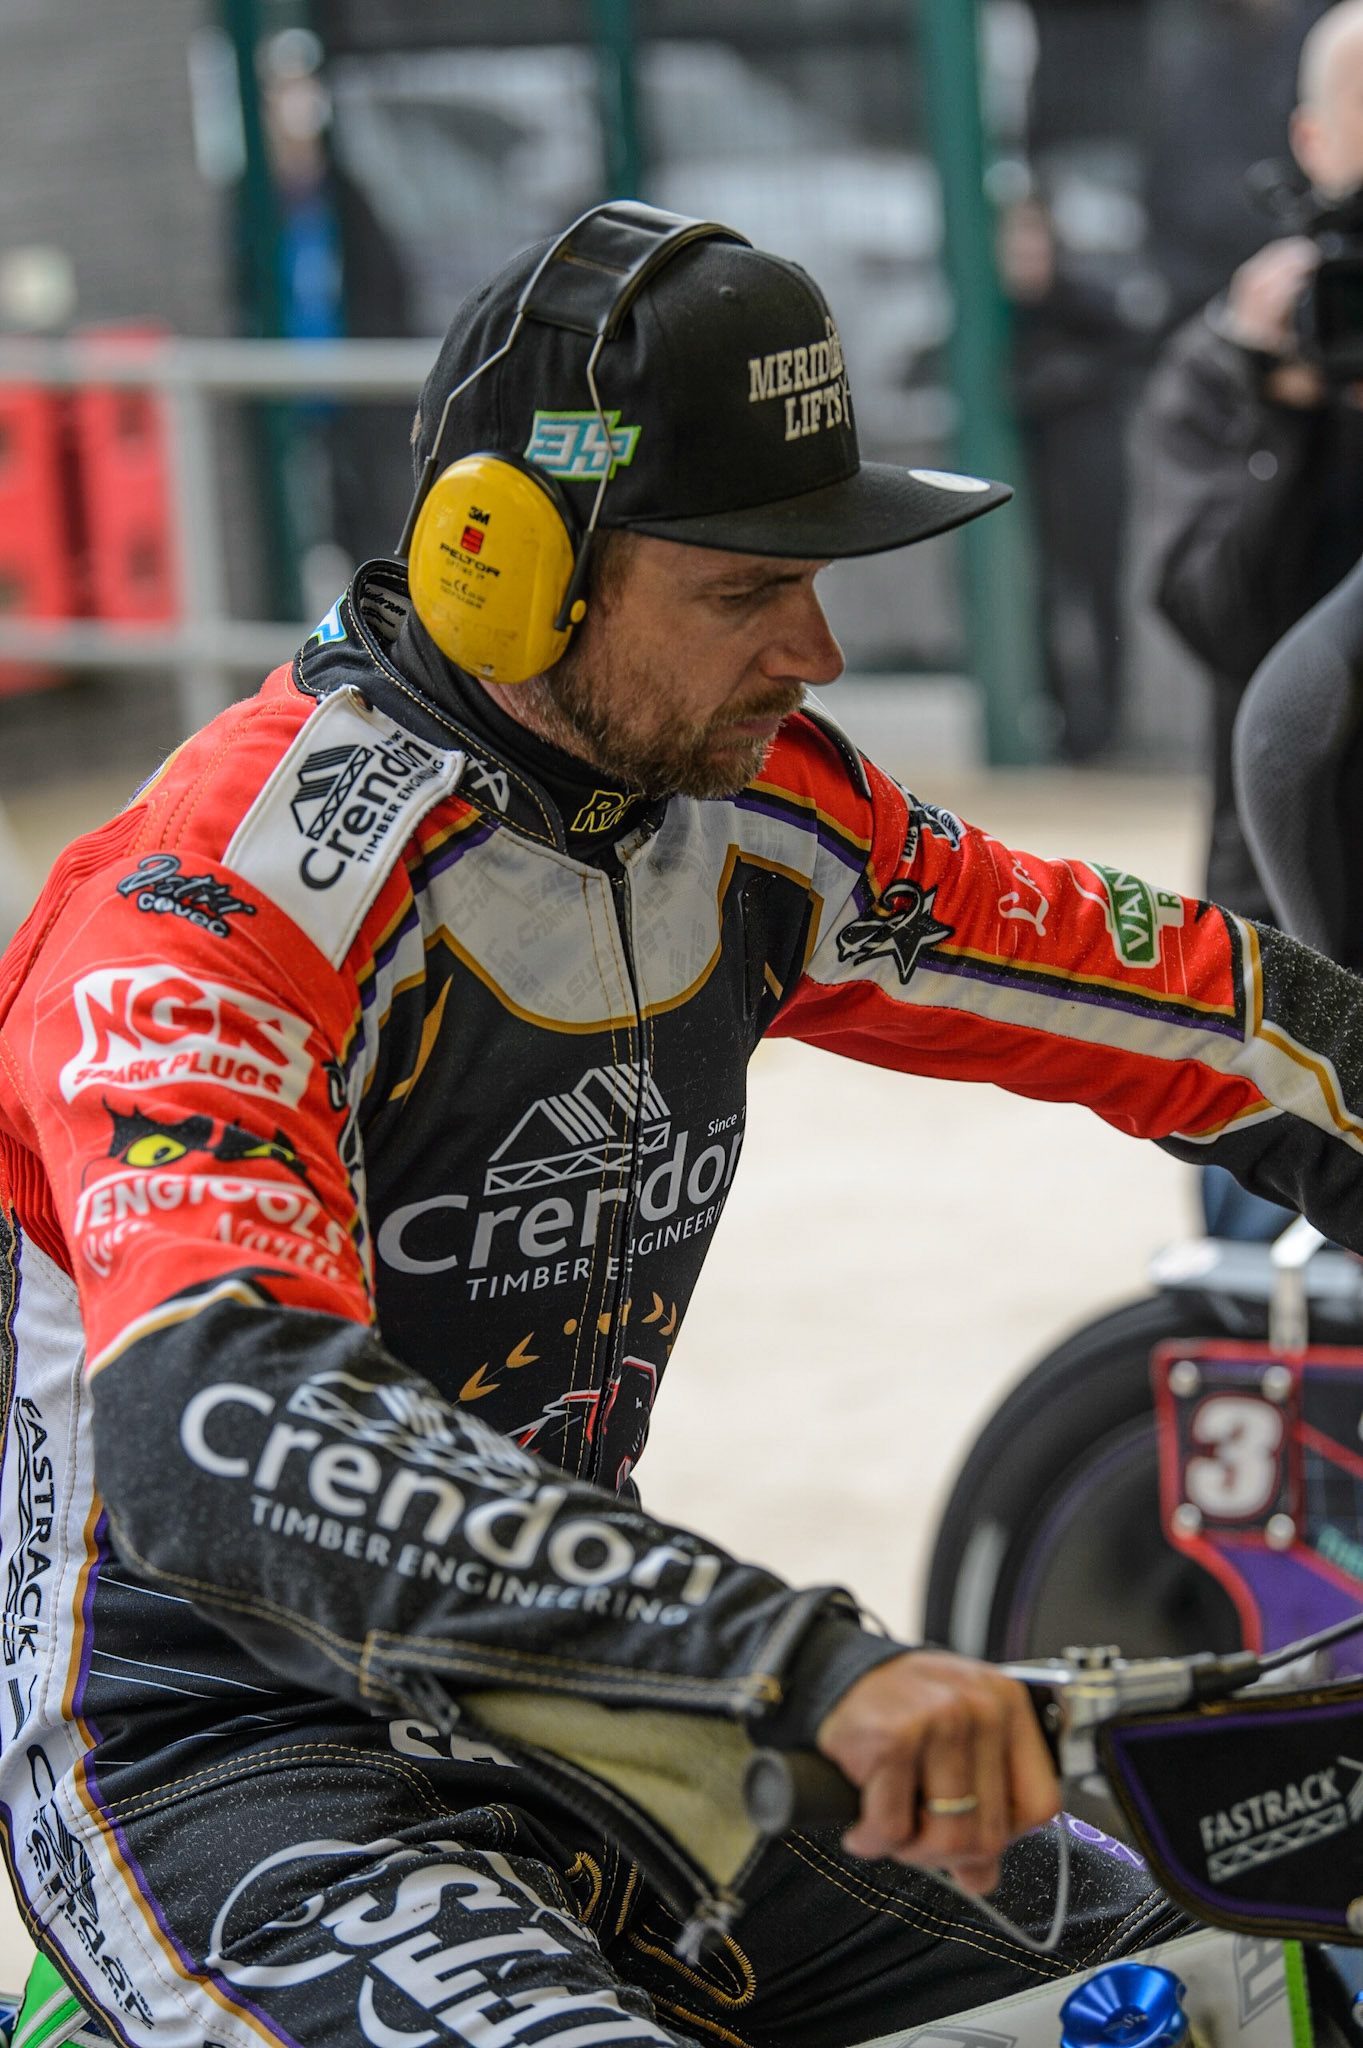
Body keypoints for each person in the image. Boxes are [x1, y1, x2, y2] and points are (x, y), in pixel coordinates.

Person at [5, 198, 1363, 2048]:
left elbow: (1210, 1018)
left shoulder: (757, 813)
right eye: (742, 588)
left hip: (604, 1708)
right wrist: (793, 1658)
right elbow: (224, 1422)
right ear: (500, 568)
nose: (811, 644)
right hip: (217, 1757)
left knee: (1246, 1985)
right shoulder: (211, 912)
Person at [1145, 0, 1363, 931]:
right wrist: (1284, 418)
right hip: (1296, 879)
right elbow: (1219, 623)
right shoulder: (1232, 358)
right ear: (1309, 140)